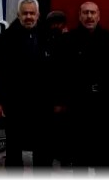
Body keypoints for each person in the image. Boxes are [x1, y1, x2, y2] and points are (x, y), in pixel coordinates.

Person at [0, 0, 50, 168]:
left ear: (38, 15)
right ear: (18, 15)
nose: (28, 17)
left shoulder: (48, 37)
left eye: (32, 13)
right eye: (25, 13)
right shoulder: (4, 39)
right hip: (15, 104)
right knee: (14, 151)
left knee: (43, 151)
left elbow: (56, 71)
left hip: (42, 104)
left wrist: (58, 101)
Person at [61, 2, 109, 170]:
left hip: (104, 106)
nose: (89, 16)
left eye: (93, 13)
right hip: (79, 106)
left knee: (103, 156)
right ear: (79, 16)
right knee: (80, 156)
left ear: (99, 16)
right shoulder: (69, 40)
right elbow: (62, 73)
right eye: (85, 13)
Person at [41, 10, 70, 168]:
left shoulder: (68, 41)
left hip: (63, 98)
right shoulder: (44, 41)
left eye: (59, 23)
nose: (56, 26)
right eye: (54, 23)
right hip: (48, 98)